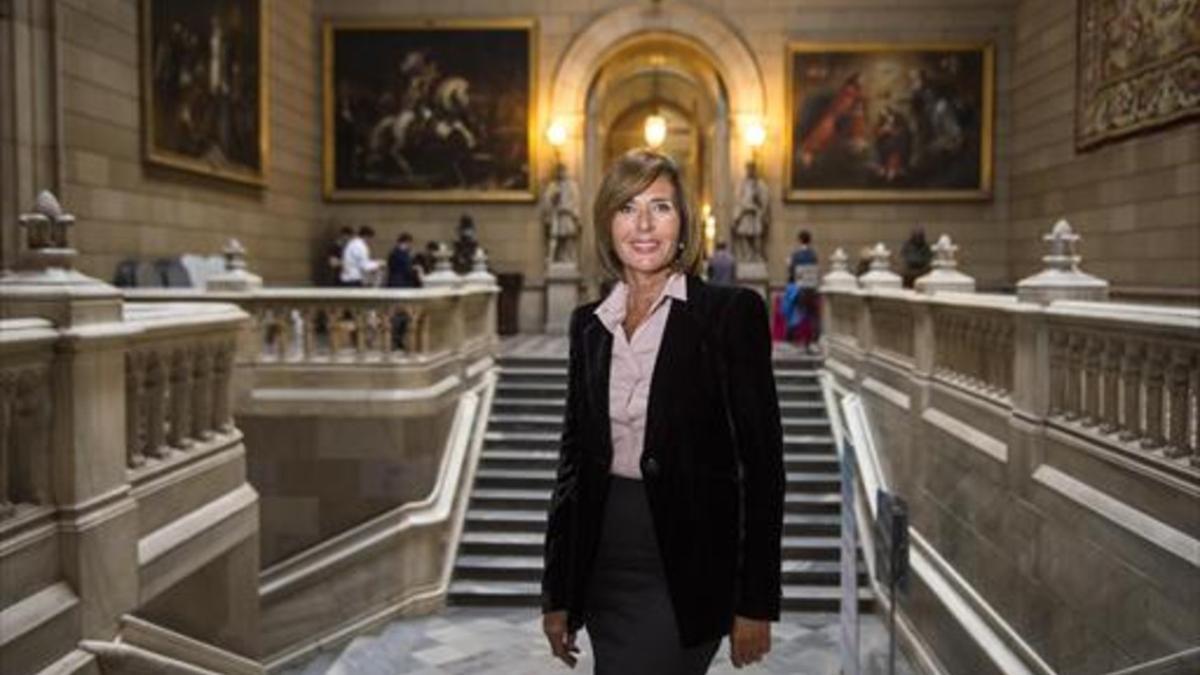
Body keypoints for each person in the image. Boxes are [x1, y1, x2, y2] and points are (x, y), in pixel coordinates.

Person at [542, 149, 784, 674]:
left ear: (684, 222)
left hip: (685, 564)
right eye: (628, 208)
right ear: (608, 223)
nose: (644, 224)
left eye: (661, 207)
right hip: (603, 563)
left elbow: (763, 468)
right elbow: (573, 466)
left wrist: (755, 601)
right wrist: (557, 592)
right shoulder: (588, 325)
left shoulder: (728, 316)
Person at [731, 161, 770, 261]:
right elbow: (738, 199)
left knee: (757, 236)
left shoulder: (760, 184)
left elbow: (765, 200)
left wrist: (760, 210)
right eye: (748, 169)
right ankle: (746, 256)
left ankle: (757, 255)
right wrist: (738, 215)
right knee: (744, 235)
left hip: (755, 214)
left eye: (752, 169)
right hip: (744, 213)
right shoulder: (742, 184)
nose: (750, 171)